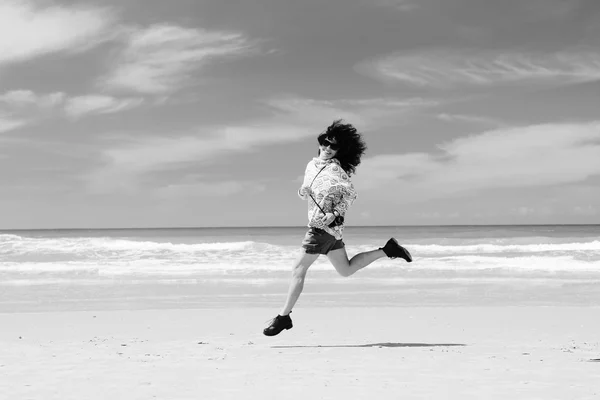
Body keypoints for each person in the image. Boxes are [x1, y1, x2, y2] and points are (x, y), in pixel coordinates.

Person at [263, 120, 413, 337]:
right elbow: (306, 192)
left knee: (298, 270)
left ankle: (283, 317)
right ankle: (387, 250)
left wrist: (335, 213)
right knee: (346, 270)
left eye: (333, 146)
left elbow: (351, 194)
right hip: (331, 231)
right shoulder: (311, 165)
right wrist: (302, 191)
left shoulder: (336, 169)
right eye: (325, 143)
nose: (327, 148)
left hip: (321, 228)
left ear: (339, 151)